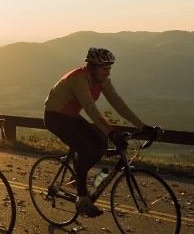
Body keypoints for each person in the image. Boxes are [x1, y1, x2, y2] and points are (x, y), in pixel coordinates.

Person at [43, 47, 157, 217]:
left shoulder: (102, 80)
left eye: (109, 69)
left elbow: (118, 103)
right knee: (86, 149)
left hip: (71, 116)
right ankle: (82, 200)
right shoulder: (78, 78)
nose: (108, 72)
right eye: (104, 69)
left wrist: (142, 126)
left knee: (101, 144)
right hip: (55, 117)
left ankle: (80, 177)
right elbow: (91, 109)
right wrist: (112, 132)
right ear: (92, 67)